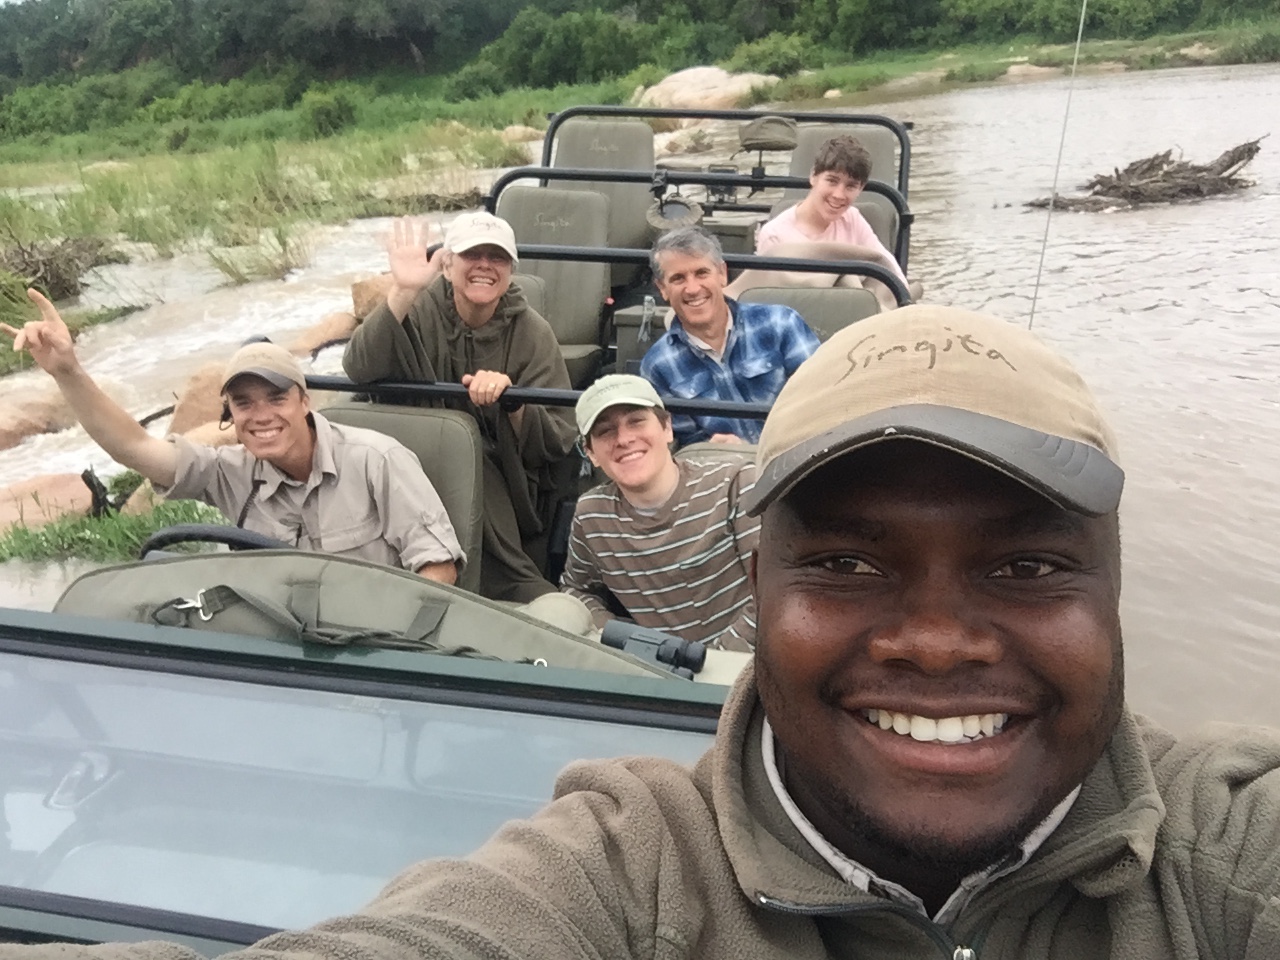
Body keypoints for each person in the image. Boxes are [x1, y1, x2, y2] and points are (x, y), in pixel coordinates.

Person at [8, 304, 1280, 959]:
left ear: (1110, 592)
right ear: (769, 570)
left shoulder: (1224, 849)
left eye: (1021, 563)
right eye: (844, 561)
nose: (935, 639)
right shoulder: (627, 867)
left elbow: (439, 570)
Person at [1, 291, 463, 582]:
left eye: (275, 398)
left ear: (304, 401)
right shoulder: (230, 473)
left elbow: (437, 568)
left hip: (376, 645)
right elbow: (134, 448)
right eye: (244, 403)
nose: (261, 416)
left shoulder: (377, 460)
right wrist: (68, 371)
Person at [343, 211, 577, 603]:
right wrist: (402, 291)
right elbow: (358, 368)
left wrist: (513, 403)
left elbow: (557, 438)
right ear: (448, 266)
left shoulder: (532, 331)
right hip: (410, 458)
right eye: (472, 255)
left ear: (510, 271)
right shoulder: (416, 308)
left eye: (497, 257)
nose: (484, 265)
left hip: (499, 474)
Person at [560, 374, 757, 651]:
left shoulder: (735, 483)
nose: (624, 439)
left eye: (636, 421)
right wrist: (621, 638)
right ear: (590, 453)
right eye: (605, 431)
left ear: (667, 427)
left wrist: (711, 662)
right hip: (660, 675)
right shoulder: (591, 514)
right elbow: (575, 590)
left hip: (748, 667)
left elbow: (775, 591)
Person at [639, 225, 820, 447]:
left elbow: (821, 399)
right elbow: (685, 447)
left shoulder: (781, 323)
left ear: (722, 274)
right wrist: (713, 448)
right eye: (678, 278)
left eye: (701, 273)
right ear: (662, 289)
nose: (693, 288)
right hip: (724, 471)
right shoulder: (657, 366)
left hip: (799, 456)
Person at [755, 133, 908, 288]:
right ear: (813, 176)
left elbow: (892, 272)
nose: (839, 195)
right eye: (832, 181)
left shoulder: (853, 220)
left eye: (851, 186)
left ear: (861, 188)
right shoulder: (774, 236)